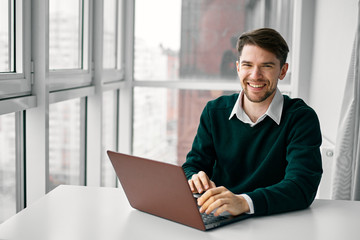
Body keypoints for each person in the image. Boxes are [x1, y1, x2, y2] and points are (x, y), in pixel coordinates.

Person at [182, 28, 322, 217]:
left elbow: (301, 186)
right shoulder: (214, 112)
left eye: (266, 66)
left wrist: (244, 202)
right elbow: (192, 166)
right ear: (238, 68)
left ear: (283, 71)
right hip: (219, 217)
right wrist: (194, 177)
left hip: (277, 220)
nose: (255, 75)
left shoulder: (301, 119)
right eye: (248, 65)